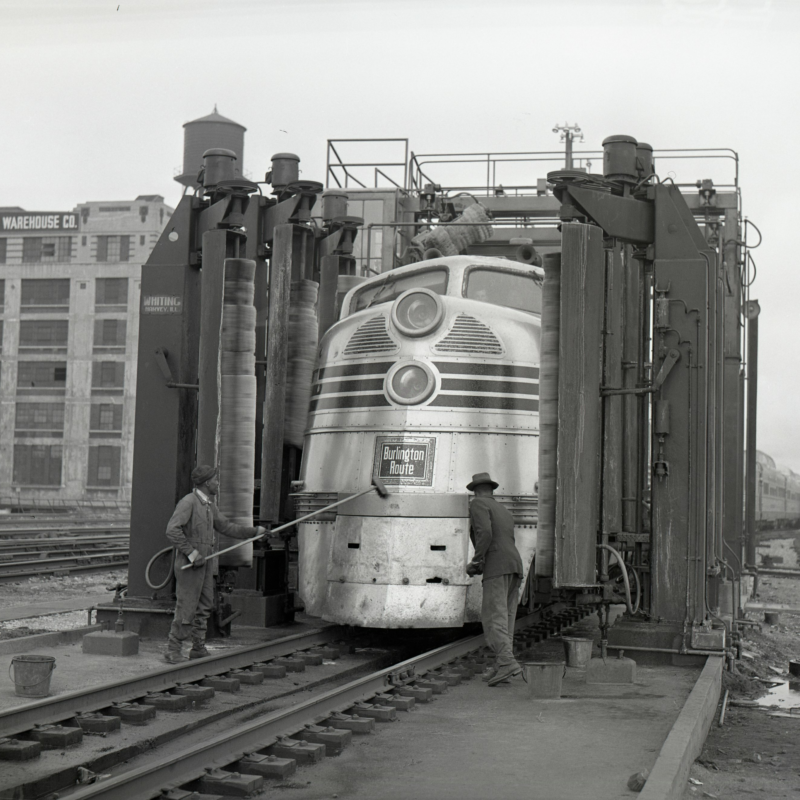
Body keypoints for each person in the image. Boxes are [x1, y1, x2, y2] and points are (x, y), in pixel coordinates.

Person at [164, 464, 266, 663]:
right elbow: (172, 530)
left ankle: (197, 647)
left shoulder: (209, 506)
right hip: (190, 563)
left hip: (205, 562)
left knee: (204, 605)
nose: (218, 483)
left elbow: (227, 527)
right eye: (216, 480)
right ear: (206, 482)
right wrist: (191, 553)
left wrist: (255, 532)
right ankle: (173, 649)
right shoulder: (188, 502)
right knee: (187, 606)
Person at [465, 472, 525, 686]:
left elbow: (485, 533)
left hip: (497, 567)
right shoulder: (504, 511)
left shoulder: (478, 504)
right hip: (514, 565)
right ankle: (502, 665)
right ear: (492, 490)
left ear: (475, 491)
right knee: (506, 619)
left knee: (493, 619)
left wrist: (477, 560)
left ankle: (507, 662)